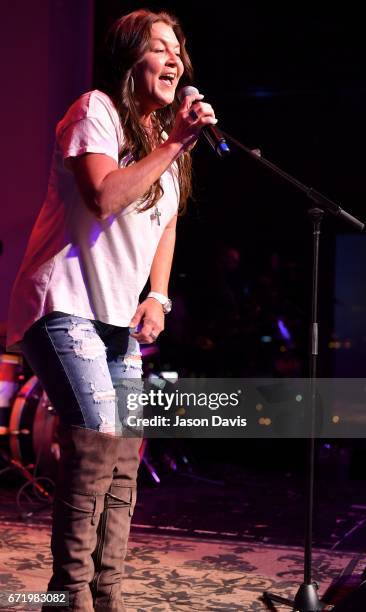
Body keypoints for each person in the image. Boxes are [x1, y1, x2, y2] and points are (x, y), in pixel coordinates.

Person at [6, 9, 217, 612]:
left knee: (127, 447)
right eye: (160, 47)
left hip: (116, 318)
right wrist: (177, 140)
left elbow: (166, 219)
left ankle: (109, 591)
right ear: (131, 58)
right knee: (98, 435)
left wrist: (158, 293)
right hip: (63, 301)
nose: (176, 59)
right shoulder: (93, 110)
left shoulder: (162, 143)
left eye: (180, 49)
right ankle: (69, 593)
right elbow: (103, 195)